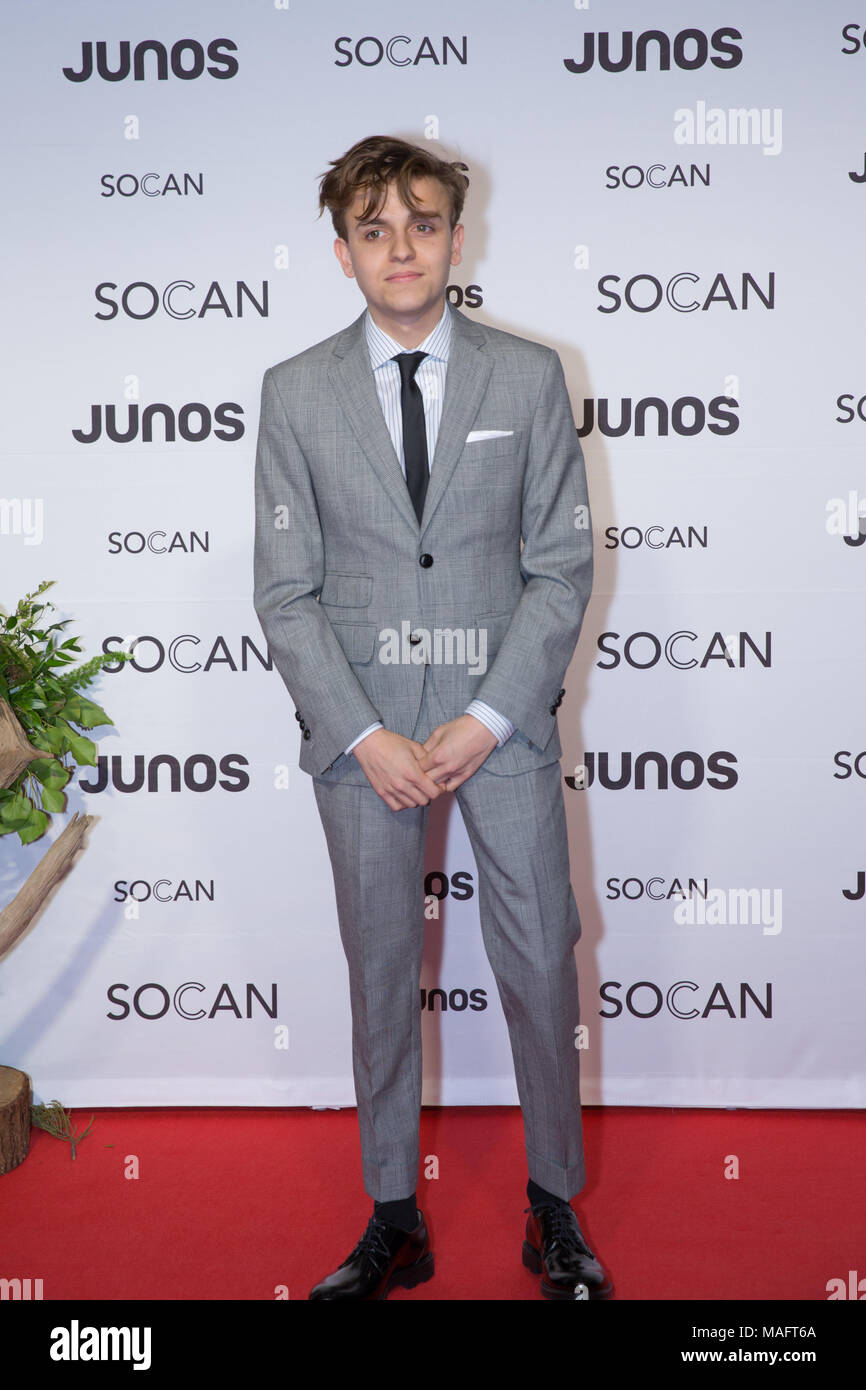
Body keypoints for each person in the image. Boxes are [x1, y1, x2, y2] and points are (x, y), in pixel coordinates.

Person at [253, 134, 610, 1300]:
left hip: (494, 731)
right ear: (343, 252)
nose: (398, 246)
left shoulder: (527, 374)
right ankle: (392, 1216)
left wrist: (489, 716)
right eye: (372, 227)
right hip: (361, 743)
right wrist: (364, 733)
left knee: (541, 962)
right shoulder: (293, 391)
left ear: (458, 240)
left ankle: (551, 1208)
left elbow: (559, 567)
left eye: (420, 223)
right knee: (377, 975)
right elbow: (285, 591)